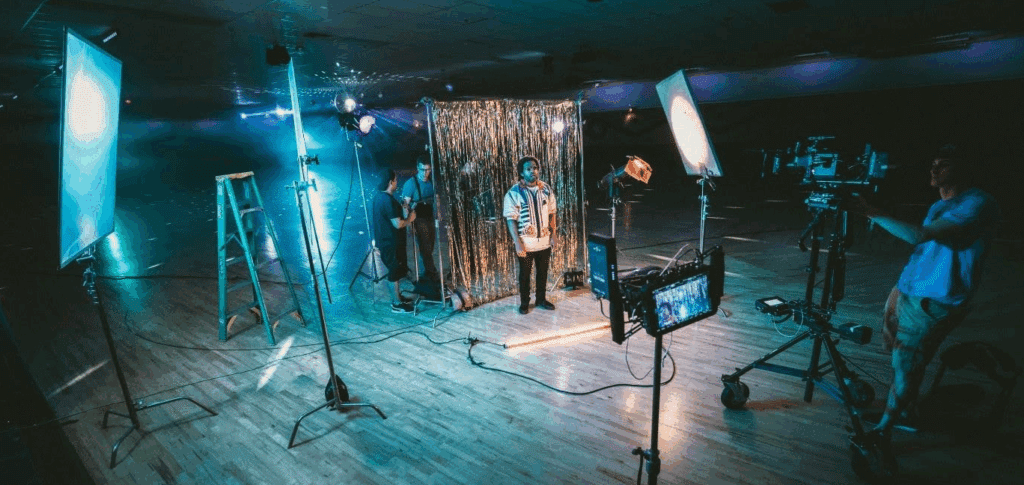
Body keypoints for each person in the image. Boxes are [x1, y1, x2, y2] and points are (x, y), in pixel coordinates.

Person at [856, 144, 999, 457]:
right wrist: (900, 287)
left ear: (963, 168)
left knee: (906, 364)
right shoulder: (939, 205)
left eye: (943, 164)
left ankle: (886, 429)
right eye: (933, 164)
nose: (934, 170)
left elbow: (919, 236)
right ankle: (906, 409)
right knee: (901, 358)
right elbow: (924, 251)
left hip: (934, 300)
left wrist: (871, 212)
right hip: (910, 291)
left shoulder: (977, 203)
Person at [503, 156, 557, 315]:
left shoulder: (546, 189)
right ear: (521, 172)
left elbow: (552, 213)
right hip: (526, 243)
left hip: (544, 242)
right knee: (525, 275)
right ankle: (524, 303)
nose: (532, 171)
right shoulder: (514, 193)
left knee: (543, 273)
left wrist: (554, 235)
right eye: (528, 169)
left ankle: (541, 299)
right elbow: (511, 220)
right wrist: (517, 243)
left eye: (535, 168)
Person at [372, 168, 417, 313]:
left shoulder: (379, 197)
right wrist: (410, 218)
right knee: (394, 272)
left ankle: (399, 298)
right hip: (390, 243)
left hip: (385, 241)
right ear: (390, 182)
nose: (397, 182)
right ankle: (396, 303)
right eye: (396, 180)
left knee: (396, 271)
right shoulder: (387, 200)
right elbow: (398, 224)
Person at [401, 155, 439, 282]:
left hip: (429, 217)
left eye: (427, 170)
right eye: (422, 170)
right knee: (425, 246)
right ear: (417, 168)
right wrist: (408, 223)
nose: (425, 173)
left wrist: (438, 213)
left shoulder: (432, 181)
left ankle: (428, 271)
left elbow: (436, 198)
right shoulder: (411, 184)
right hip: (417, 218)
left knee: (430, 245)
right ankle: (432, 272)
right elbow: (405, 205)